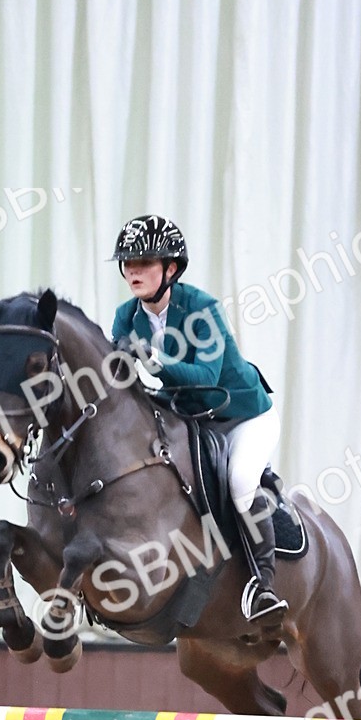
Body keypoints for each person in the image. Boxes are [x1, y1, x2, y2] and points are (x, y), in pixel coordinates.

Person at [110, 214, 288, 629]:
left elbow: (205, 377)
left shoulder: (202, 308)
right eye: (128, 262)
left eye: (144, 261)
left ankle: (264, 585)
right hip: (190, 419)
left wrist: (152, 359)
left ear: (171, 268)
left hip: (242, 416)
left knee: (241, 480)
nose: (132, 270)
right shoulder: (125, 315)